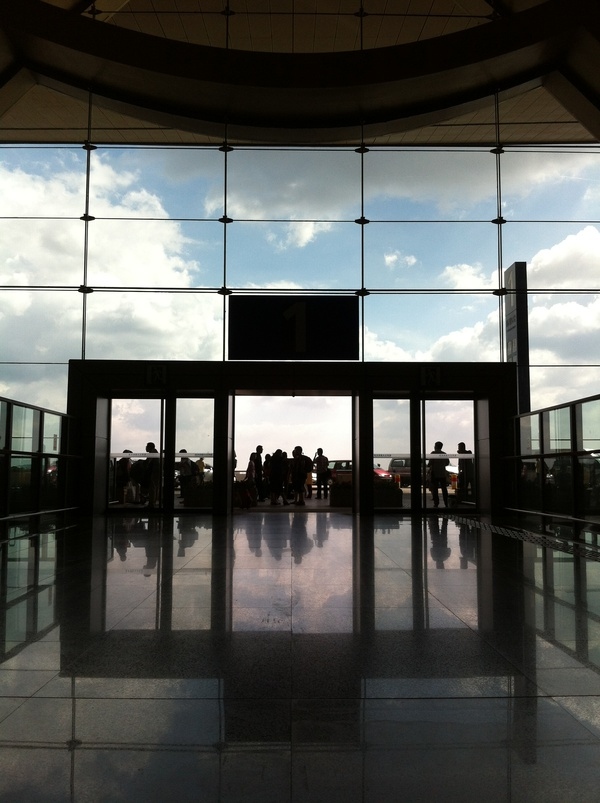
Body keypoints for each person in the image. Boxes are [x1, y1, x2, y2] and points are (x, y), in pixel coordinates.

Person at [428, 441, 449, 508]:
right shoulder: (444, 454)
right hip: (442, 473)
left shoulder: (433, 453)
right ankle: (446, 503)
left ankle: (436, 503)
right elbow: (447, 463)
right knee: (444, 489)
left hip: (435, 473)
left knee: (435, 489)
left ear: (436, 446)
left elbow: (430, 463)